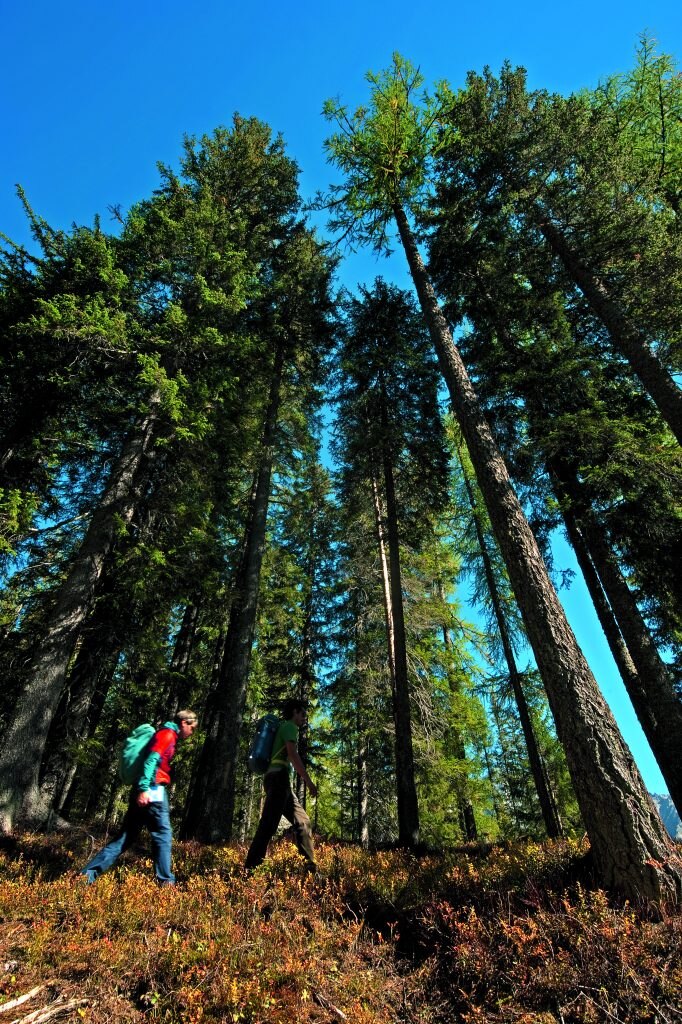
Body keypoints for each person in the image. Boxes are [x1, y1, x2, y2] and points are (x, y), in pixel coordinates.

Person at [80, 709, 198, 885]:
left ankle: (85, 877)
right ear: (184, 723)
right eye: (192, 728)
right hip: (153, 788)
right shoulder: (167, 735)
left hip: (146, 788)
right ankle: (166, 882)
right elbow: (151, 761)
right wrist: (144, 789)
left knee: (125, 837)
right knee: (163, 835)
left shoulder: (166, 735)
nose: (192, 732)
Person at [245, 698, 317, 873]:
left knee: (302, 821)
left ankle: (310, 868)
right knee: (269, 824)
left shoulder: (283, 728)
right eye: (302, 714)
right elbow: (293, 755)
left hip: (277, 780)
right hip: (278, 780)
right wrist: (309, 782)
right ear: (294, 712)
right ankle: (250, 869)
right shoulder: (289, 727)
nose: (304, 718)